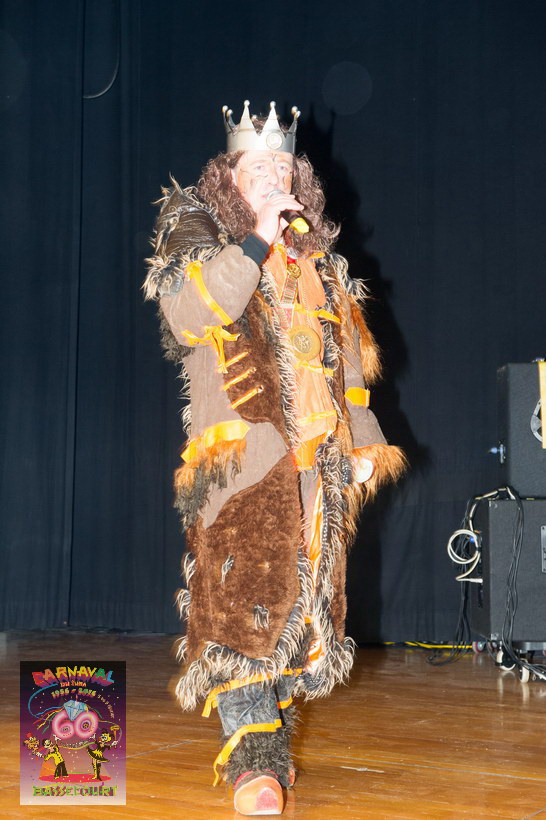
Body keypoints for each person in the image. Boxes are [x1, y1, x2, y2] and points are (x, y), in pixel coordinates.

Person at [144, 100, 405, 816]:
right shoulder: (195, 229)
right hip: (243, 465)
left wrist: (362, 441)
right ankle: (254, 763)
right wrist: (256, 239)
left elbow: (349, 369)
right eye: (257, 167)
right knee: (241, 612)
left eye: (284, 168)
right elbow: (191, 314)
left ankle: (270, 737)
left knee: (301, 615)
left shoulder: (319, 262)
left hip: (317, 465)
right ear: (228, 174)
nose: (274, 179)